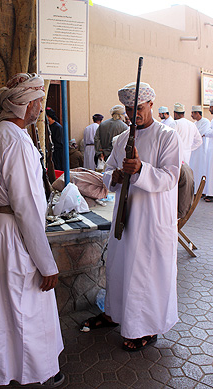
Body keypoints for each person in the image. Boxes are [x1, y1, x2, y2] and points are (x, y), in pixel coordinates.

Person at [81, 81, 181, 352]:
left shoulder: (167, 136)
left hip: (152, 219)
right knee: (119, 265)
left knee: (145, 273)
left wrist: (140, 169)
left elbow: (171, 177)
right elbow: (109, 171)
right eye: (128, 108)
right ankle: (115, 314)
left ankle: (146, 329)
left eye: (138, 107)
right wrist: (113, 175)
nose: (133, 113)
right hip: (126, 216)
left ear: (150, 104)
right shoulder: (123, 138)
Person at [0, 73, 64, 387]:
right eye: (38, 101)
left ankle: (14, 369)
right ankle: (36, 373)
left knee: (14, 303)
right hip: (14, 230)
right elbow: (27, 208)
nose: (41, 107)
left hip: (3, 228)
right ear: (24, 104)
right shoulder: (15, 140)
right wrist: (47, 263)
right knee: (27, 304)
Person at [188, 105, 211, 192]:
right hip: (194, 150)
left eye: (193, 113)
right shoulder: (194, 124)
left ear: (198, 113)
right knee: (194, 169)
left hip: (201, 150)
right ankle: (195, 189)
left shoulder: (205, 122)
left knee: (201, 169)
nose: (191, 115)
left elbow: (200, 134)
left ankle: (202, 190)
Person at [203, 100, 213, 202]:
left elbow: (209, 132)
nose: (209, 109)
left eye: (210, 107)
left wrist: (208, 131)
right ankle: (210, 193)